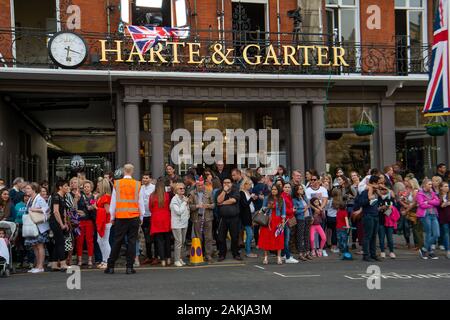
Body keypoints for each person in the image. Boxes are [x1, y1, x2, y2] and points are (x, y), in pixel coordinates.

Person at [105, 164, 145, 275]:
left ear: (124, 171)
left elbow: (113, 203)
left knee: (117, 241)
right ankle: (129, 267)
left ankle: (111, 266)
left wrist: (112, 217)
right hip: (133, 216)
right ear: (132, 171)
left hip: (121, 217)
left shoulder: (117, 184)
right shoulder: (137, 184)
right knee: (132, 242)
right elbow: (140, 203)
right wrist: (141, 216)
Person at [353, 175, 381, 262]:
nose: (380, 185)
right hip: (368, 216)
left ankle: (373, 255)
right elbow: (360, 202)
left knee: (373, 236)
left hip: (375, 215)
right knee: (367, 236)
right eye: (378, 183)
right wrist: (369, 200)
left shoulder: (375, 192)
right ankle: (366, 255)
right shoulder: (365, 192)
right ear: (373, 183)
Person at [24, 182, 50, 273]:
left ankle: (40, 266)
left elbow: (47, 209)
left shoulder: (39, 198)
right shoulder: (31, 199)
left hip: (39, 226)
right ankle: (37, 265)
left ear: (34, 189)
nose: (26, 190)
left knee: (40, 246)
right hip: (33, 226)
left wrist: (35, 209)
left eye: (28, 188)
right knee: (34, 246)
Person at [259, 185, 286, 265]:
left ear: (278, 190)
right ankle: (266, 257)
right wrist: (268, 207)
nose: (273, 190)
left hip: (277, 220)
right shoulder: (267, 198)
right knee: (266, 238)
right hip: (268, 220)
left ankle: (279, 257)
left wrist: (283, 221)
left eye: (275, 189)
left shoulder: (281, 199)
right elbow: (262, 209)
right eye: (272, 189)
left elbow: (283, 211)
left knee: (278, 238)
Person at [189, 177, 215, 261]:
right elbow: (189, 206)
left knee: (208, 237)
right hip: (197, 217)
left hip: (207, 217)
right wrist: (196, 206)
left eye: (202, 185)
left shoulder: (209, 192)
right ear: (196, 185)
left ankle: (208, 254)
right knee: (198, 237)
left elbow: (214, 205)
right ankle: (199, 254)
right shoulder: (192, 193)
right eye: (199, 185)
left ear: (204, 185)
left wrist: (208, 206)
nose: (200, 187)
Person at [217, 178, 241, 261]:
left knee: (234, 237)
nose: (226, 184)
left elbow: (233, 200)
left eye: (228, 182)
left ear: (231, 183)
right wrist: (224, 191)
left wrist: (222, 203)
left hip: (234, 218)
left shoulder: (235, 190)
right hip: (222, 218)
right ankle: (222, 254)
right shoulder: (219, 191)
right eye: (224, 182)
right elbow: (218, 200)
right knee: (221, 237)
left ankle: (236, 254)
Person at [416, 179, 441, 260]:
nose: (431, 186)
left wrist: (428, 201)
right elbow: (422, 205)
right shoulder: (419, 193)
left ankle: (424, 249)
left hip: (434, 215)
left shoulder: (432, 193)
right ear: (424, 185)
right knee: (429, 233)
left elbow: (438, 202)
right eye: (429, 184)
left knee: (436, 234)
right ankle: (430, 252)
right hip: (425, 215)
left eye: (431, 184)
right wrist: (432, 203)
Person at [48, 180, 70, 271]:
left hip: (60, 221)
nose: (67, 187)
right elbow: (55, 211)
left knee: (58, 243)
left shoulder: (63, 196)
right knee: (60, 242)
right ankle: (63, 263)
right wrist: (61, 224)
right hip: (55, 222)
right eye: (65, 186)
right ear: (60, 187)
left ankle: (54, 264)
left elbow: (64, 211)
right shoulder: (56, 196)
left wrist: (65, 223)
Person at [150, 180, 172, 267]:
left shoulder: (152, 196)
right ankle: (169, 259)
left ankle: (162, 260)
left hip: (156, 218)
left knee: (159, 241)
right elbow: (169, 207)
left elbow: (150, 208)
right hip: (166, 218)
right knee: (167, 240)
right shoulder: (166, 195)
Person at [76, 180, 96, 268]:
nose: (86, 188)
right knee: (79, 241)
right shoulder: (79, 196)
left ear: (91, 188)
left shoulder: (93, 197)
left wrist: (91, 207)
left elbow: (93, 208)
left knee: (89, 241)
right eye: (85, 187)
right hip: (80, 221)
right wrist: (75, 200)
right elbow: (74, 208)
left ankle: (90, 260)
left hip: (89, 221)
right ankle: (80, 260)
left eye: (88, 187)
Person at [377, 182, 400, 259]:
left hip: (389, 221)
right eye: (381, 189)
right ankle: (382, 251)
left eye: (385, 189)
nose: (383, 191)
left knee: (390, 237)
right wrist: (380, 208)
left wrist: (389, 209)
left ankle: (391, 251)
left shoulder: (391, 198)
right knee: (381, 237)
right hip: (381, 220)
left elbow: (395, 209)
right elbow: (375, 209)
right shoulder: (377, 198)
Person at [170, 183, 190, 267]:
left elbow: (187, 210)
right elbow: (178, 211)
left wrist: (187, 217)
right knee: (178, 242)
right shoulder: (174, 199)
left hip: (184, 223)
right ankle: (176, 260)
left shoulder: (184, 198)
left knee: (182, 242)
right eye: (180, 189)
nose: (182, 190)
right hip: (177, 224)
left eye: (183, 188)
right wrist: (184, 203)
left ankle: (180, 258)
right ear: (176, 190)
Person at [95, 178, 112, 269]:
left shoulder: (106, 197)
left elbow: (108, 211)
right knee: (100, 241)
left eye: (98, 185)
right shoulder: (101, 196)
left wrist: (96, 208)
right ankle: (104, 260)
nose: (97, 186)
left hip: (105, 222)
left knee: (104, 241)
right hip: (101, 221)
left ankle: (107, 261)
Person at [140, 172, 157, 265]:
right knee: (146, 237)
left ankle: (155, 256)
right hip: (144, 215)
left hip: (152, 215)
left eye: (146, 178)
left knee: (151, 237)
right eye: (143, 178)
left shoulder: (154, 188)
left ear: (150, 179)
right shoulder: (141, 188)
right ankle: (149, 256)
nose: (144, 180)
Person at [239, 178, 257, 258]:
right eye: (249, 184)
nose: (250, 186)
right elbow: (244, 204)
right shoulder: (242, 192)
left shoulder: (247, 192)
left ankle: (248, 250)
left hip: (250, 214)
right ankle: (248, 252)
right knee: (249, 234)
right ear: (245, 184)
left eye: (251, 184)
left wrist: (253, 198)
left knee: (250, 234)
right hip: (245, 216)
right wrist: (251, 198)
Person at [293, 185, 312, 261]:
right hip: (300, 219)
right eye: (300, 189)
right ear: (296, 191)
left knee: (307, 235)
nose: (302, 190)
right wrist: (303, 210)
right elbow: (295, 211)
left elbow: (309, 207)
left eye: (302, 188)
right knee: (300, 236)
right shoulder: (294, 200)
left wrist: (311, 216)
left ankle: (307, 252)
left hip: (307, 218)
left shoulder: (304, 198)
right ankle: (300, 253)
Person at [281, 183, 298, 263]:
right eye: (286, 187)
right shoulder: (282, 196)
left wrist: (292, 209)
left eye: (288, 187)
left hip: (289, 219)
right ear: (283, 188)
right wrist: (292, 210)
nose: (287, 188)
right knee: (286, 239)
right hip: (285, 220)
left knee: (286, 238)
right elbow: (283, 209)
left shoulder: (288, 196)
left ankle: (284, 254)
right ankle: (288, 257)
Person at [438, 182, 450, 259]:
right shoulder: (438, 196)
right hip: (443, 217)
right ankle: (448, 250)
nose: (447, 187)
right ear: (441, 188)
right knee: (446, 234)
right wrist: (446, 203)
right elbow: (440, 205)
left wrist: (446, 203)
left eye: (448, 186)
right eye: (445, 186)